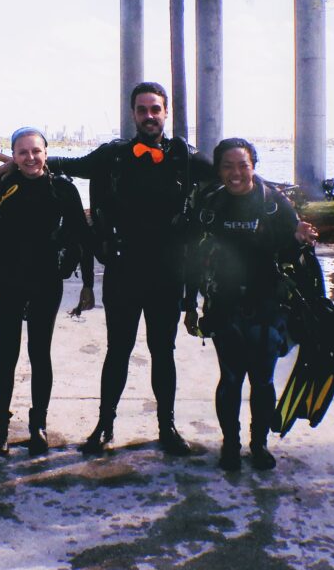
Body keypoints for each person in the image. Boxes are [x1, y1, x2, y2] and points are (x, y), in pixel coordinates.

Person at [45, 82, 217, 456]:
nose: (149, 116)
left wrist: (279, 206)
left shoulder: (184, 157)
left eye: (156, 109)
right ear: (133, 114)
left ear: (166, 112)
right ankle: (105, 425)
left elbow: (233, 175)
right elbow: (67, 165)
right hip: (124, 269)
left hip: (168, 272)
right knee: (117, 351)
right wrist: (18, 162)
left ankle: (166, 427)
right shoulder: (115, 155)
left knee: (163, 351)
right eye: (142, 110)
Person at [190, 138, 318, 472]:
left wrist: (299, 239)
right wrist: (189, 302)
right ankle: (230, 444)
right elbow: (192, 257)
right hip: (224, 303)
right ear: (218, 170)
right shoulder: (210, 204)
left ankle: (258, 443)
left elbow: (293, 256)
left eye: (242, 165)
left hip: (267, 303)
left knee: (262, 380)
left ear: (253, 165)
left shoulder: (274, 204)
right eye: (228, 166)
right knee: (230, 378)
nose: (235, 173)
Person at [0, 127, 90, 457]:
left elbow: (81, 236)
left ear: (46, 153)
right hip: (7, 279)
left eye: (36, 151)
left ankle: (39, 426)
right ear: (14, 156)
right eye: (22, 152)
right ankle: (0, 427)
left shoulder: (62, 189)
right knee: (6, 355)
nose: (30, 157)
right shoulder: (4, 184)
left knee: (40, 354)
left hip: (46, 281)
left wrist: (82, 278)